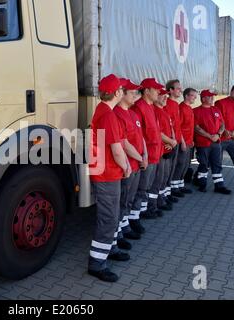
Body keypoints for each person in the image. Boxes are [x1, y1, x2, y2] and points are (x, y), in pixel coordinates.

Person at [88, 74, 131, 283]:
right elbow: (116, 149)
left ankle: (111, 248)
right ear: (116, 93)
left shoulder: (103, 111)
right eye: (121, 89)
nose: (123, 92)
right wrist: (126, 166)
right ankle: (97, 264)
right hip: (107, 174)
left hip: (104, 172)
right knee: (108, 218)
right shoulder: (109, 115)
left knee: (111, 216)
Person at [114, 79, 147, 245]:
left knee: (129, 199)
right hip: (127, 166)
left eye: (137, 92)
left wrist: (145, 156)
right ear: (122, 94)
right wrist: (140, 158)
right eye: (132, 92)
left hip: (137, 164)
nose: (136, 95)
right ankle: (117, 234)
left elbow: (140, 137)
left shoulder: (133, 113)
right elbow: (124, 143)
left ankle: (124, 225)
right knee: (122, 200)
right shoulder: (117, 114)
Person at [130, 78, 164, 232]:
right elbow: (138, 136)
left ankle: (140, 213)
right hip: (146, 156)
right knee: (140, 189)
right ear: (147, 90)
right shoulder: (139, 108)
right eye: (156, 89)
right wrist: (142, 156)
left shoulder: (151, 107)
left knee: (146, 187)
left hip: (154, 154)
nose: (158, 92)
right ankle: (133, 219)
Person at [193, 90, 232, 195]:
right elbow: (196, 127)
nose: (212, 99)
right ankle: (202, 184)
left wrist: (218, 135)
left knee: (217, 164)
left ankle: (219, 186)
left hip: (216, 142)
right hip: (203, 143)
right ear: (203, 98)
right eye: (210, 97)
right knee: (204, 164)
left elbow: (222, 124)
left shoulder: (216, 109)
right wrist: (210, 136)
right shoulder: (196, 111)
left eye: (212, 97)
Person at [147, 89, 178, 217]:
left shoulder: (163, 111)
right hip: (160, 151)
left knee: (164, 177)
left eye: (166, 95)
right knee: (157, 180)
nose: (165, 97)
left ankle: (160, 200)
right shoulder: (155, 111)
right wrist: (171, 141)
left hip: (167, 149)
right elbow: (158, 133)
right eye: (162, 95)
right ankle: (152, 206)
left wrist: (173, 141)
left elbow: (170, 129)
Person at [172, 88, 197, 193]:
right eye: (192, 96)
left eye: (195, 96)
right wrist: (182, 142)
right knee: (180, 164)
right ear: (186, 96)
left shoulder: (189, 108)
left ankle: (180, 185)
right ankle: (174, 187)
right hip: (183, 142)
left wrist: (192, 140)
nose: (194, 98)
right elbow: (178, 127)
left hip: (189, 142)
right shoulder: (181, 108)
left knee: (186, 164)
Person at [164, 80, 186, 199]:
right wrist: (170, 141)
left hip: (176, 142)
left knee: (172, 168)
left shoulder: (176, 105)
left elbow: (177, 126)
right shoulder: (166, 104)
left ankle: (169, 193)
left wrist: (181, 141)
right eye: (178, 88)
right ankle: (166, 194)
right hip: (171, 143)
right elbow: (168, 126)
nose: (180, 90)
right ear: (171, 90)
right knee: (167, 170)